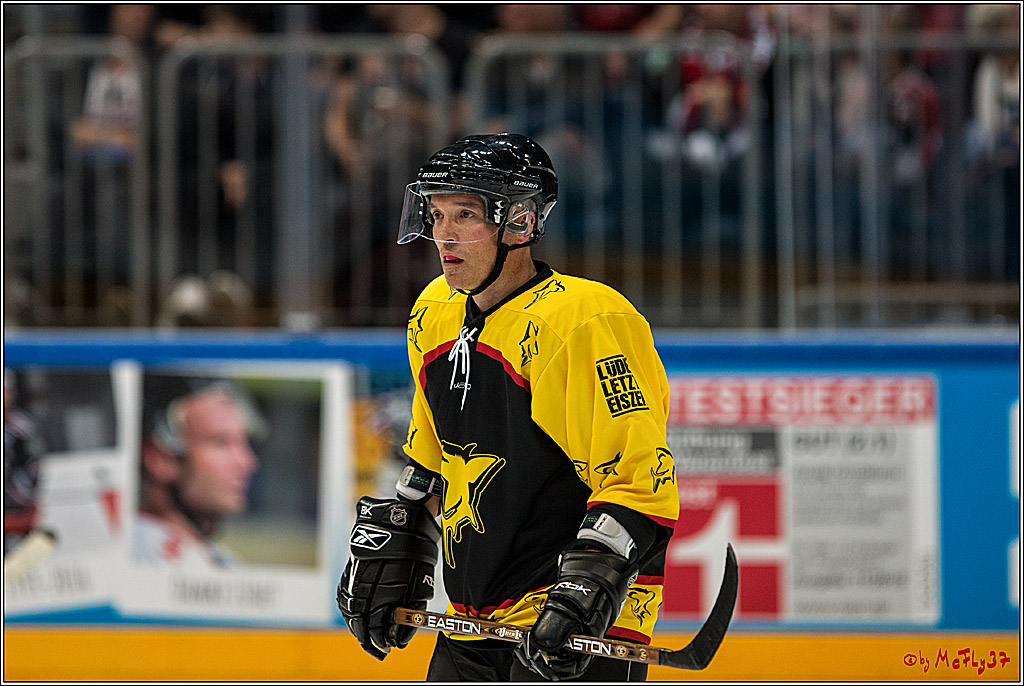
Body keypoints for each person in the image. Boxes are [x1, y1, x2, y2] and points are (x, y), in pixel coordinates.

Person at [338, 133, 679, 681]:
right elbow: (434, 460)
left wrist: (583, 596)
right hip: (471, 623)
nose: (443, 236)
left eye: (465, 215)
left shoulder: (587, 321)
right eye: (436, 213)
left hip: (574, 629)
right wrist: (402, 532)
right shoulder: (434, 311)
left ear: (519, 221)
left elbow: (640, 482)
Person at [134, 380, 262, 569]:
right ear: (159, 459)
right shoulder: (135, 553)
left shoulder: (225, 561)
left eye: (243, 443)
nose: (247, 463)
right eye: (221, 443)